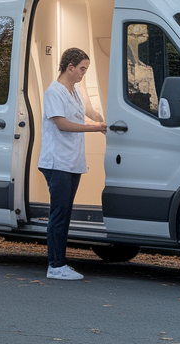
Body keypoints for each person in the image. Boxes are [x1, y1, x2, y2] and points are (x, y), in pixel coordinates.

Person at [38, 47, 106, 280]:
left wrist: (100, 118)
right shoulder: (53, 92)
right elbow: (63, 124)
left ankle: (59, 264)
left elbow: (86, 109)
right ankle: (55, 266)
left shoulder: (75, 90)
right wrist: (94, 128)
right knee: (59, 214)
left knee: (65, 213)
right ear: (70, 67)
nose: (83, 74)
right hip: (57, 162)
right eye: (82, 69)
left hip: (72, 162)